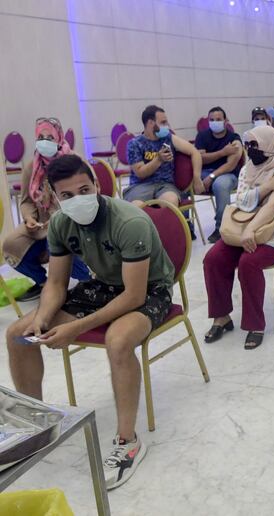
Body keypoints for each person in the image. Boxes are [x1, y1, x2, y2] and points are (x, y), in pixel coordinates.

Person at [6, 154, 177, 489]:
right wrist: (41, 318)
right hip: (103, 286)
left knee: (118, 340)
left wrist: (75, 327)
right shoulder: (60, 224)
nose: (77, 199)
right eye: (67, 195)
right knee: (17, 334)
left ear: (98, 186)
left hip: (149, 289)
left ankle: (127, 442)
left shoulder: (129, 221)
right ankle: (36, 427)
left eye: (84, 189)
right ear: (55, 198)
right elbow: (55, 282)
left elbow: (133, 296)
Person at [203, 125, 274, 350]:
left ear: (269, 144)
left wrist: (251, 230)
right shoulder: (247, 169)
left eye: (255, 145)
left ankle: (255, 325)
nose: (250, 150)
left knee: (248, 262)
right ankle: (221, 317)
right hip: (244, 230)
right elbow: (242, 200)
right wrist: (267, 186)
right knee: (213, 258)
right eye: (248, 145)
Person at [2, 118, 91, 302]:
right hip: (42, 225)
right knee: (11, 243)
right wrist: (29, 218)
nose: (44, 142)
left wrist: (62, 216)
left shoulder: (74, 162)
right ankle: (43, 282)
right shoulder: (32, 167)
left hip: (72, 222)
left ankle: (89, 283)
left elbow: (90, 194)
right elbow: (26, 201)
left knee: (57, 241)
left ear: (59, 137)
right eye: (40, 137)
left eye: (50, 137)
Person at [125, 105, 203, 207]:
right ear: (150, 123)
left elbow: (195, 152)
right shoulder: (134, 144)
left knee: (170, 202)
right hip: (140, 186)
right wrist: (158, 159)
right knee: (137, 207)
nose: (167, 126)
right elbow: (140, 172)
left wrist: (197, 177)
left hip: (165, 186)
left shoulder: (168, 138)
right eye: (163, 123)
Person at [193, 106, 243, 243]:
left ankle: (221, 228)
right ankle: (187, 227)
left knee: (220, 185)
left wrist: (212, 176)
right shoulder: (202, 136)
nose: (215, 122)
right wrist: (222, 153)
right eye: (212, 120)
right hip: (205, 172)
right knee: (185, 182)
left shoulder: (234, 138)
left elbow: (231, 164)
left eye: (218, 119)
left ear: (226, 120)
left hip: (228, 174)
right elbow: (200, 158)